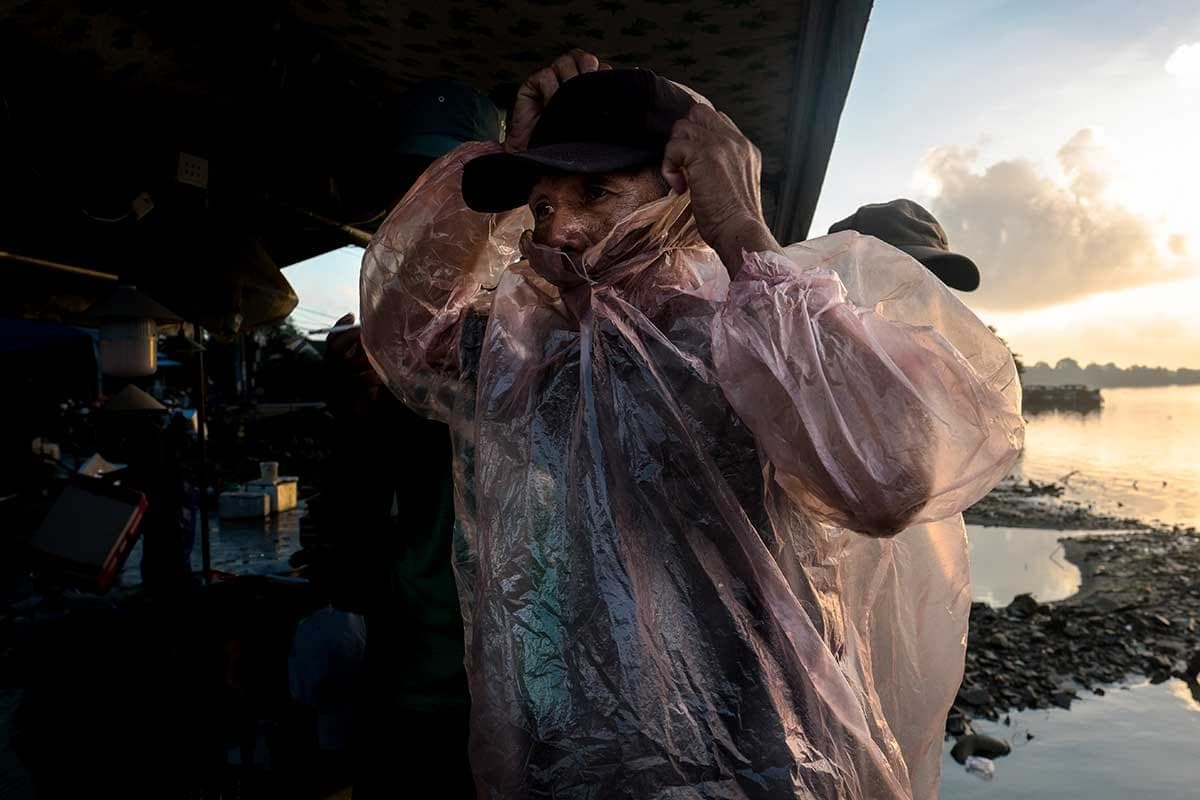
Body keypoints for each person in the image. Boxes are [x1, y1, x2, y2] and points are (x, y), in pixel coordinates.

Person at [362, 50, 1024, 799]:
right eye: (542, 206)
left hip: (761, 763)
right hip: (576, 760)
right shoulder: (542, 355)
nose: (559, 230)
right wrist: (500, 163)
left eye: (597, 192)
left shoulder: (740, 337)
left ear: (677, 194)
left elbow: (895, 476)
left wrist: (742, 226)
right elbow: (408, 337)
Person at [316, 79, 500, 799]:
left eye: (450, 189)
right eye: (411, 192)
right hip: (404, 667)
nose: (424, 213)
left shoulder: (527, 326)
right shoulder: (363, 344)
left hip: (505, 678)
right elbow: (350, 511)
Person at [827, 199, 981, 291]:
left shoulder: (927, 343)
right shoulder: (809, 337)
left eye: (935, 284)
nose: (923, 297)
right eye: (900, 277)